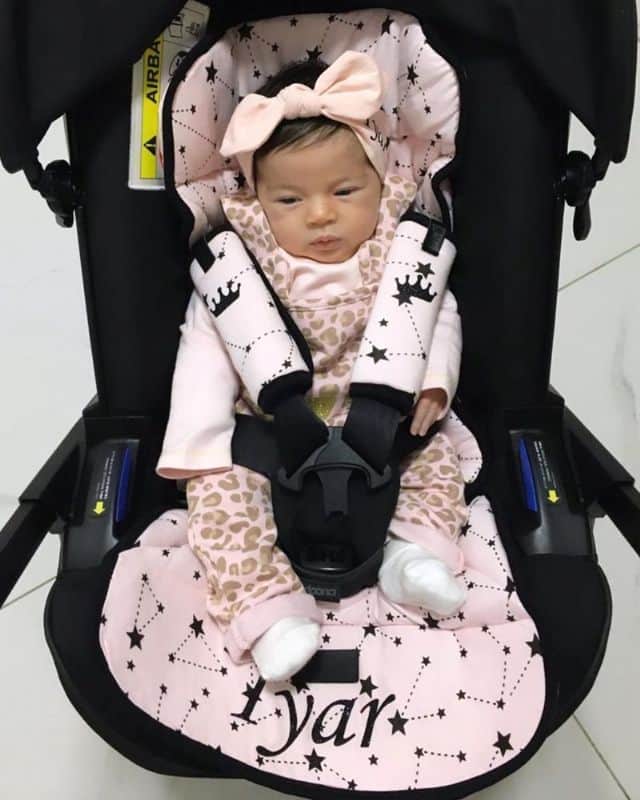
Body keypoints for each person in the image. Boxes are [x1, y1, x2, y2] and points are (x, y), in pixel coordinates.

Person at [156, 51, 468, 682]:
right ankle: (268, 612)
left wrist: (436, 381)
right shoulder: (242, 261)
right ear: (257, 198)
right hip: (270, 430)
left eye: (344, 191)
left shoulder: (399, 246)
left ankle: (412, 556)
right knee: (219, 503)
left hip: (383, 415)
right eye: (290, 198)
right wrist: (198, 444)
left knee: (438, 461)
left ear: (380, 179)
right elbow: (205, 349)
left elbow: (436, 311)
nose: (320, 215)